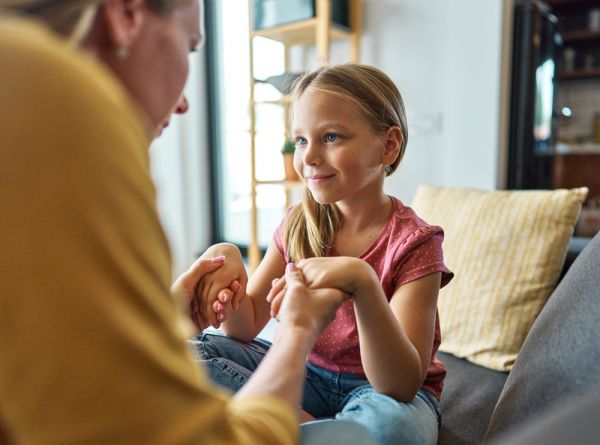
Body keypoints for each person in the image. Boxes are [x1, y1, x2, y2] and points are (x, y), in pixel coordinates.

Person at [0, 1, 368, 443]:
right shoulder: (55, 97)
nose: (185, 103)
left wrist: (164, 315)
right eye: (190, 47)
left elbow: (47, 350)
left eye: (330, 137)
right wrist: (297, 331)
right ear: (127, 14)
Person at [192, 64, 454, 445]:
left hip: (380, 393)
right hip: (307, 374)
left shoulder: (415, 242)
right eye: (300, 140)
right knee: (187, 356)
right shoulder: (299, 223)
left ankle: (287, 425)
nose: (309, 157)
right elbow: (245, 327)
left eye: (330, 137)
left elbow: (398, 384)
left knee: (397, 429)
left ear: (389, 145)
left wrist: (362, 281)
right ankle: (319, 429)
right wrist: (228, 265)